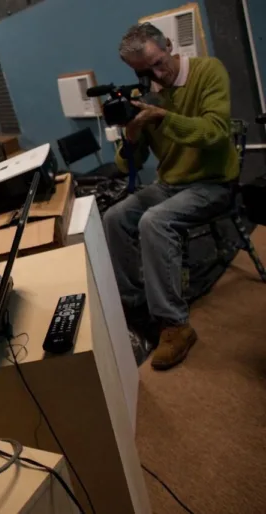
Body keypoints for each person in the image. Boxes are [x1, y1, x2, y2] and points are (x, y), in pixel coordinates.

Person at [103, 23, 238, 370]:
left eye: (159, 63)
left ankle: (175, 324)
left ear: (169, 45)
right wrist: (131, 137)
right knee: (114, 218)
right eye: (145, 72)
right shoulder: (147, 94)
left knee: (155, 221)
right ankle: (136, 304)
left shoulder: (208, 71)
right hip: (171, 184)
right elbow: (128, 164)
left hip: (213, 182)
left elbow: (216, 131)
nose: (156, 75)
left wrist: (164, 116)